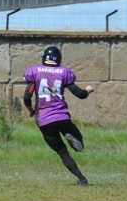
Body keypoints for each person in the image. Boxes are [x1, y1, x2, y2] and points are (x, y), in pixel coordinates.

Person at [23, 46, 95, 186]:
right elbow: (79, 94)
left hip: (44, 119)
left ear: (44, 58)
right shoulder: (64, 73)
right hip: (61, 117)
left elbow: (27, 96)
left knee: (62, 152)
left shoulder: (35, 72)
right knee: (78, 142)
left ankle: (82, 179)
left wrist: (31, 109)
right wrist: (88, 90)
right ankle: (73, 138)